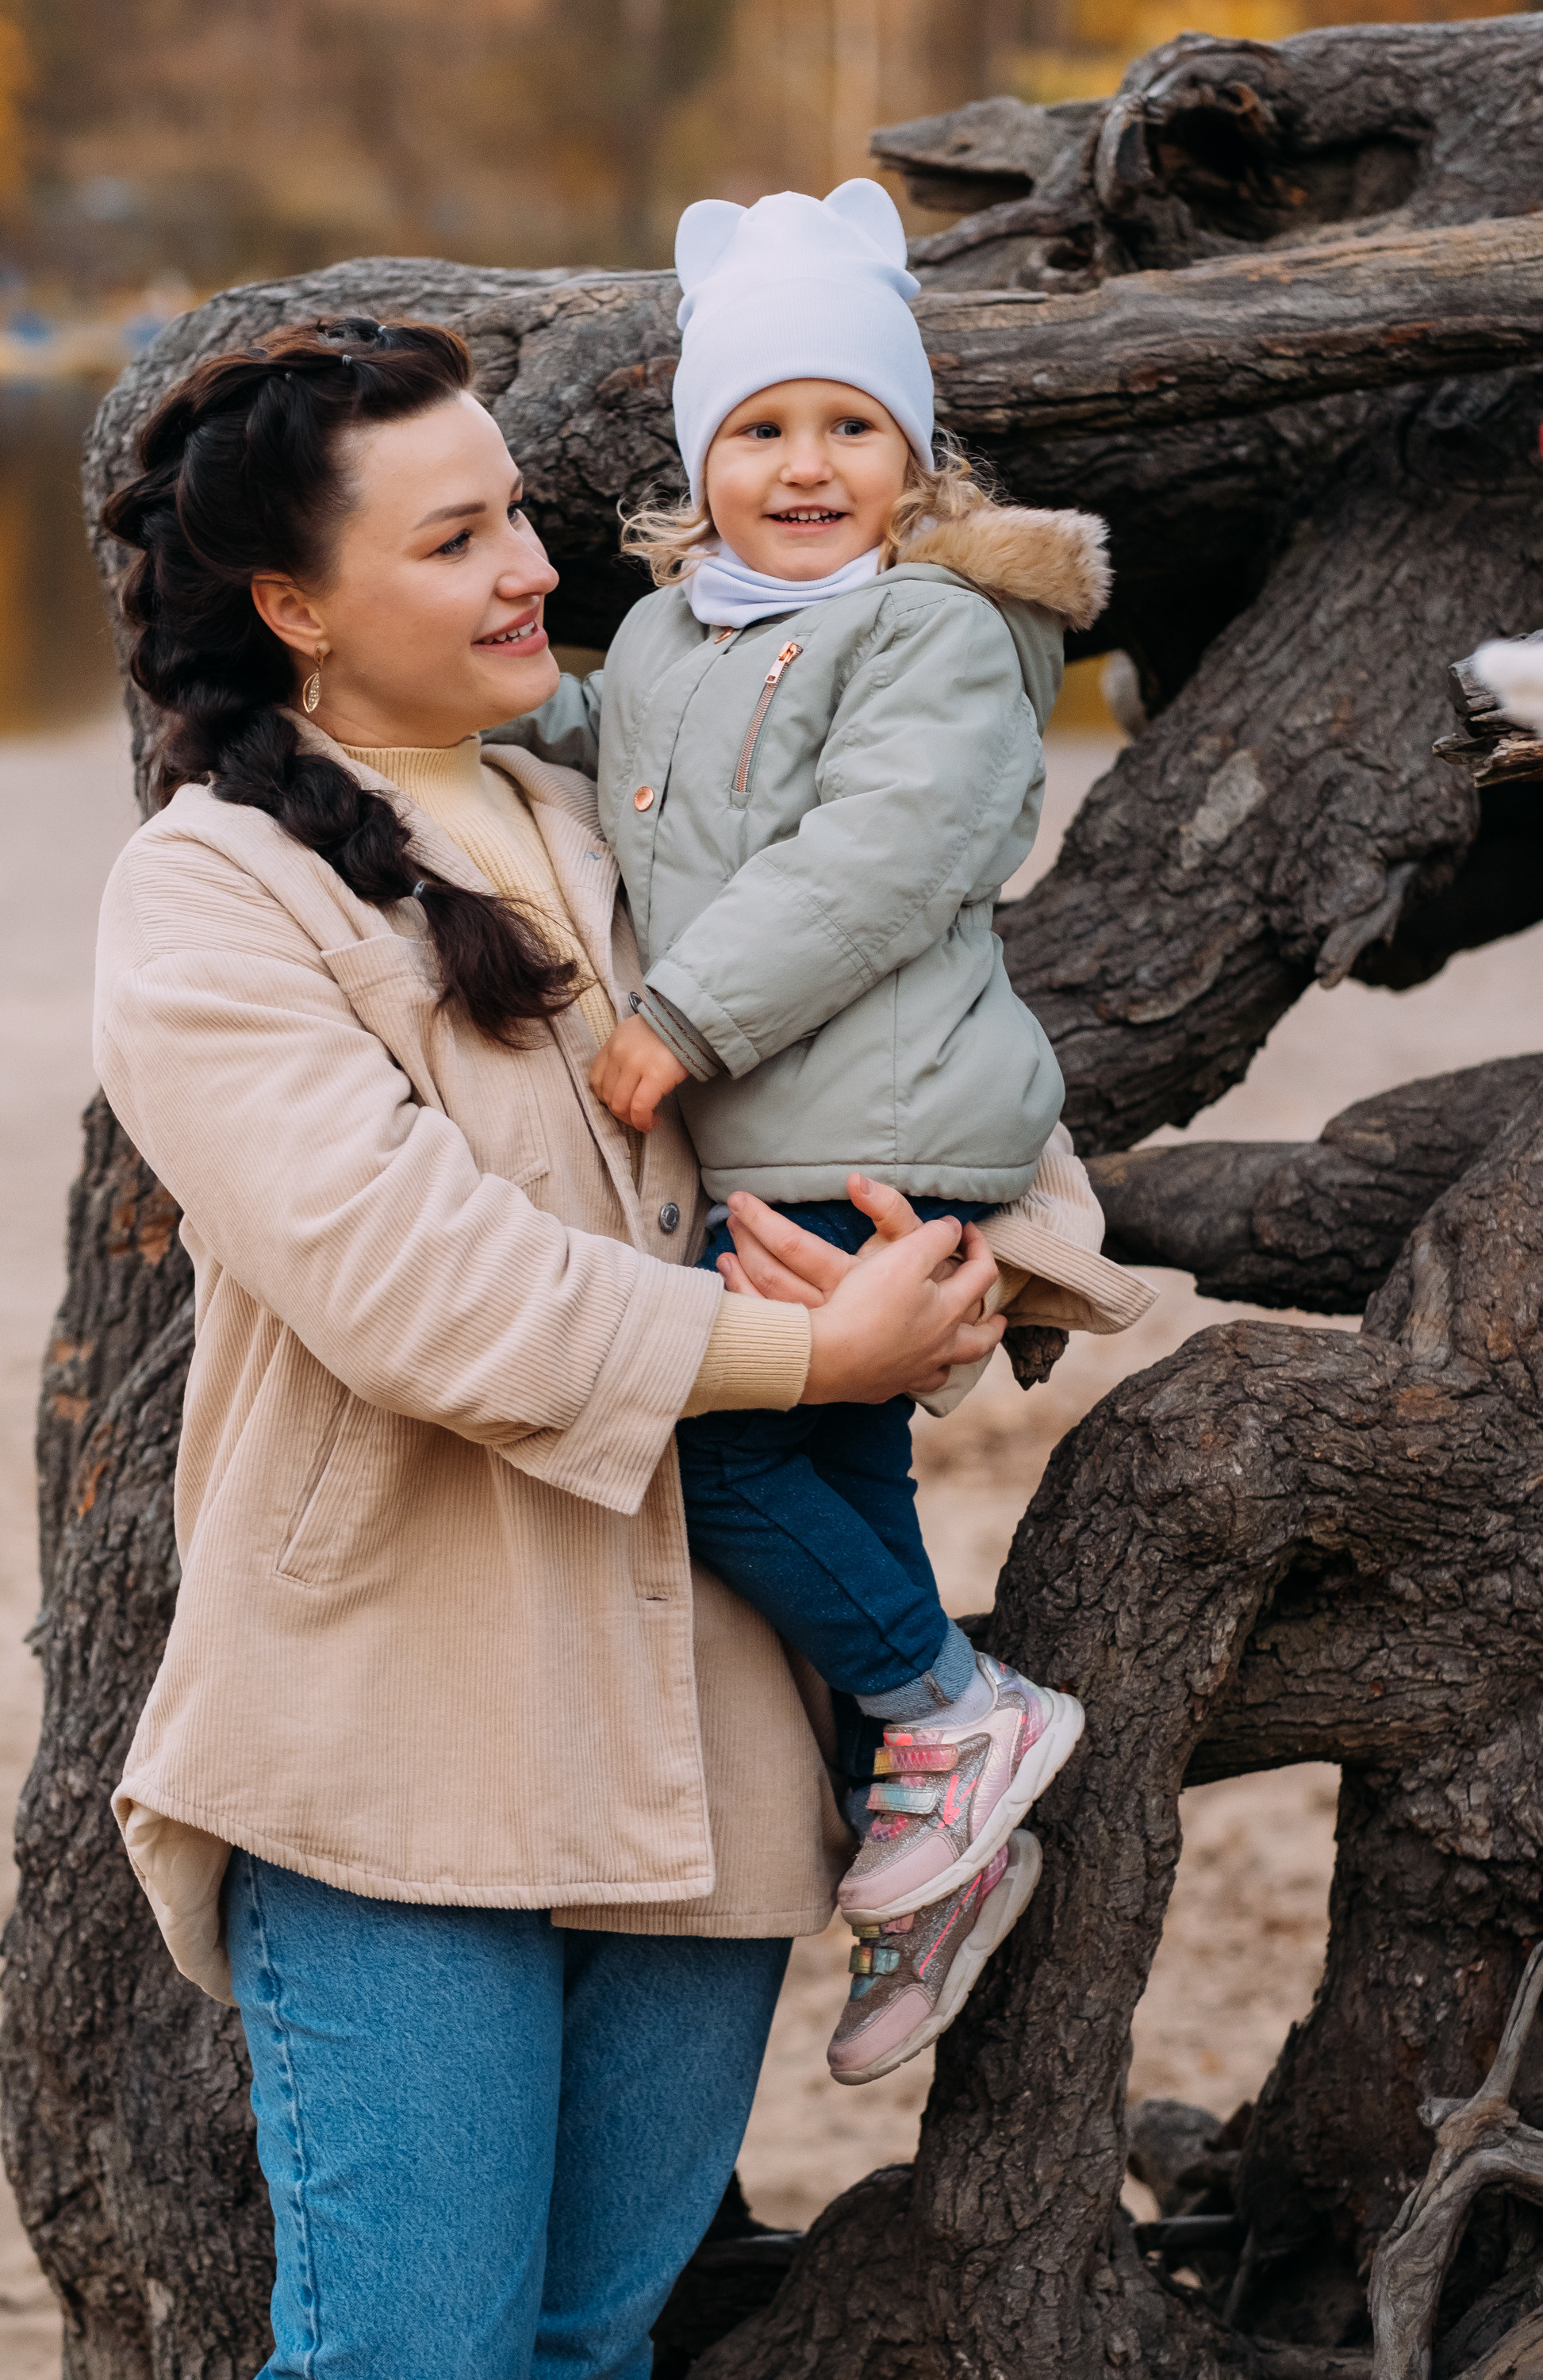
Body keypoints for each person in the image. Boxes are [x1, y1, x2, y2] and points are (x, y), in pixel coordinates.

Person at [93, 313, 1015, 2380]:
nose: (530, 566)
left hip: (708, 1732)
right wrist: (808, 1365)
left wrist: (934, 1282)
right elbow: (410, 1282)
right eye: (454, 540)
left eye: (518, 513)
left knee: (596, 2356)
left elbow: (877, 1052)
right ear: (294, 608)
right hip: (395, 1734)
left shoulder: (621, 821)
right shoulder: (214, 894)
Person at [486, 180, 1153, 2086]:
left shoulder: (930, 626)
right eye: (759, 428)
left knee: (704, 1459)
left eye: (849, 425)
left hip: (864, 1127)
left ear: (910, 455)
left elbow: (881, 857)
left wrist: (676, 1023)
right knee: (837, 1479)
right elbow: (595, 742)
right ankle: (930, 1848)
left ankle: (953, 1711)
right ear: (700, 457)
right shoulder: (683, 632)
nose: (803, 465)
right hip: (783, 1135)